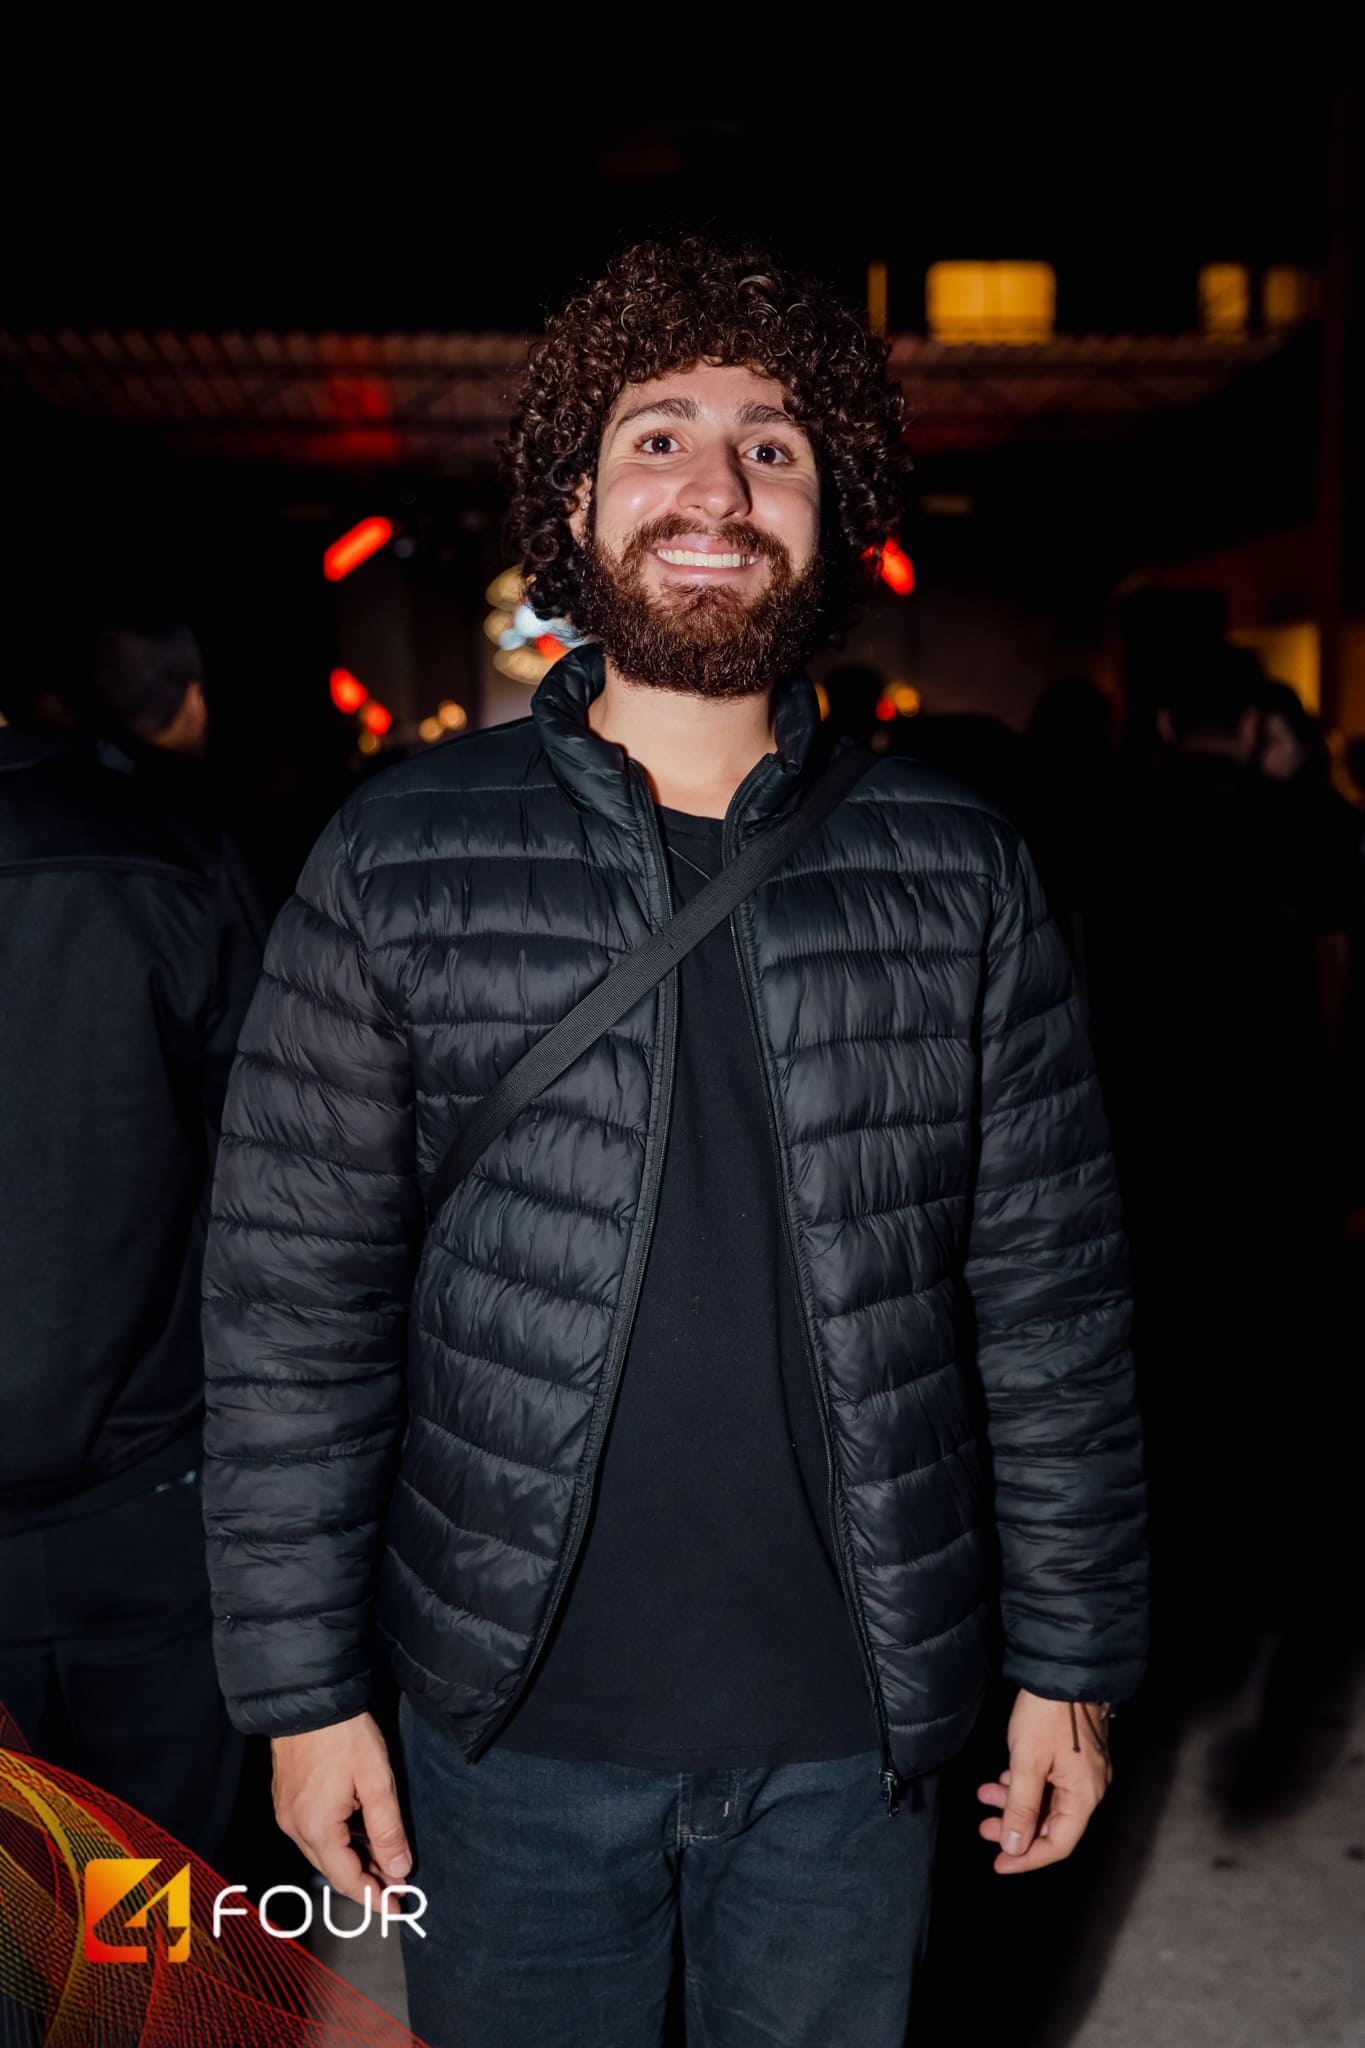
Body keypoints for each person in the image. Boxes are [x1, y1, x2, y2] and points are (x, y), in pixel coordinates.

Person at [202, 237, 1147, 2048]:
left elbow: (1053, 1306)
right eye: (658, 438)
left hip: (851, 1738)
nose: (715, 489)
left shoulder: (960, 864)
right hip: (508, 1728)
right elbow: (289, 1311)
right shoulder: (399, 854)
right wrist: (302, 1694)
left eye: (771, 447)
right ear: (576, 501)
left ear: (834, 513)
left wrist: (1074, 1665)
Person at [0, 658, 262, 1861]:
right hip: (151, 1490)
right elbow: (278, 1173)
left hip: (150, 1485)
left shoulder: (159, 844)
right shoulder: (157, 845)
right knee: (141, 1903)